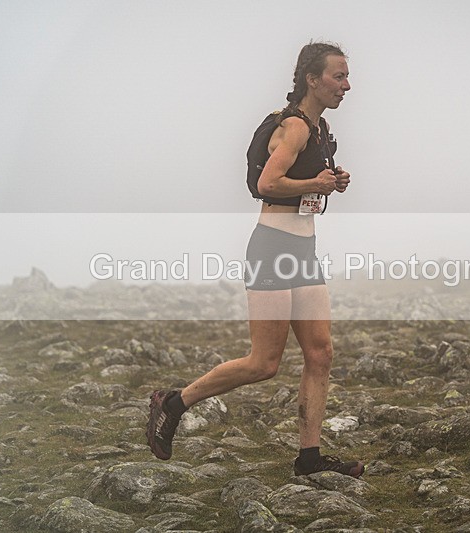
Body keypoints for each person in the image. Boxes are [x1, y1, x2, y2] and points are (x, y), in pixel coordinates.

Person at [146, 41, 363, 478]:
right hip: (272, 249)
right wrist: (311, 184)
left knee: (320, 353)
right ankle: (172, 403)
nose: (347, 85)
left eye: (346, 76)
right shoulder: (296, 128)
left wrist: (328, 181)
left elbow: (300, 181)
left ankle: (309, 459)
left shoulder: (318, 130)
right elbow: (267, 184)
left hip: (303, 250)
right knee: (264, 363)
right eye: (338, 76)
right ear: (312, 79)